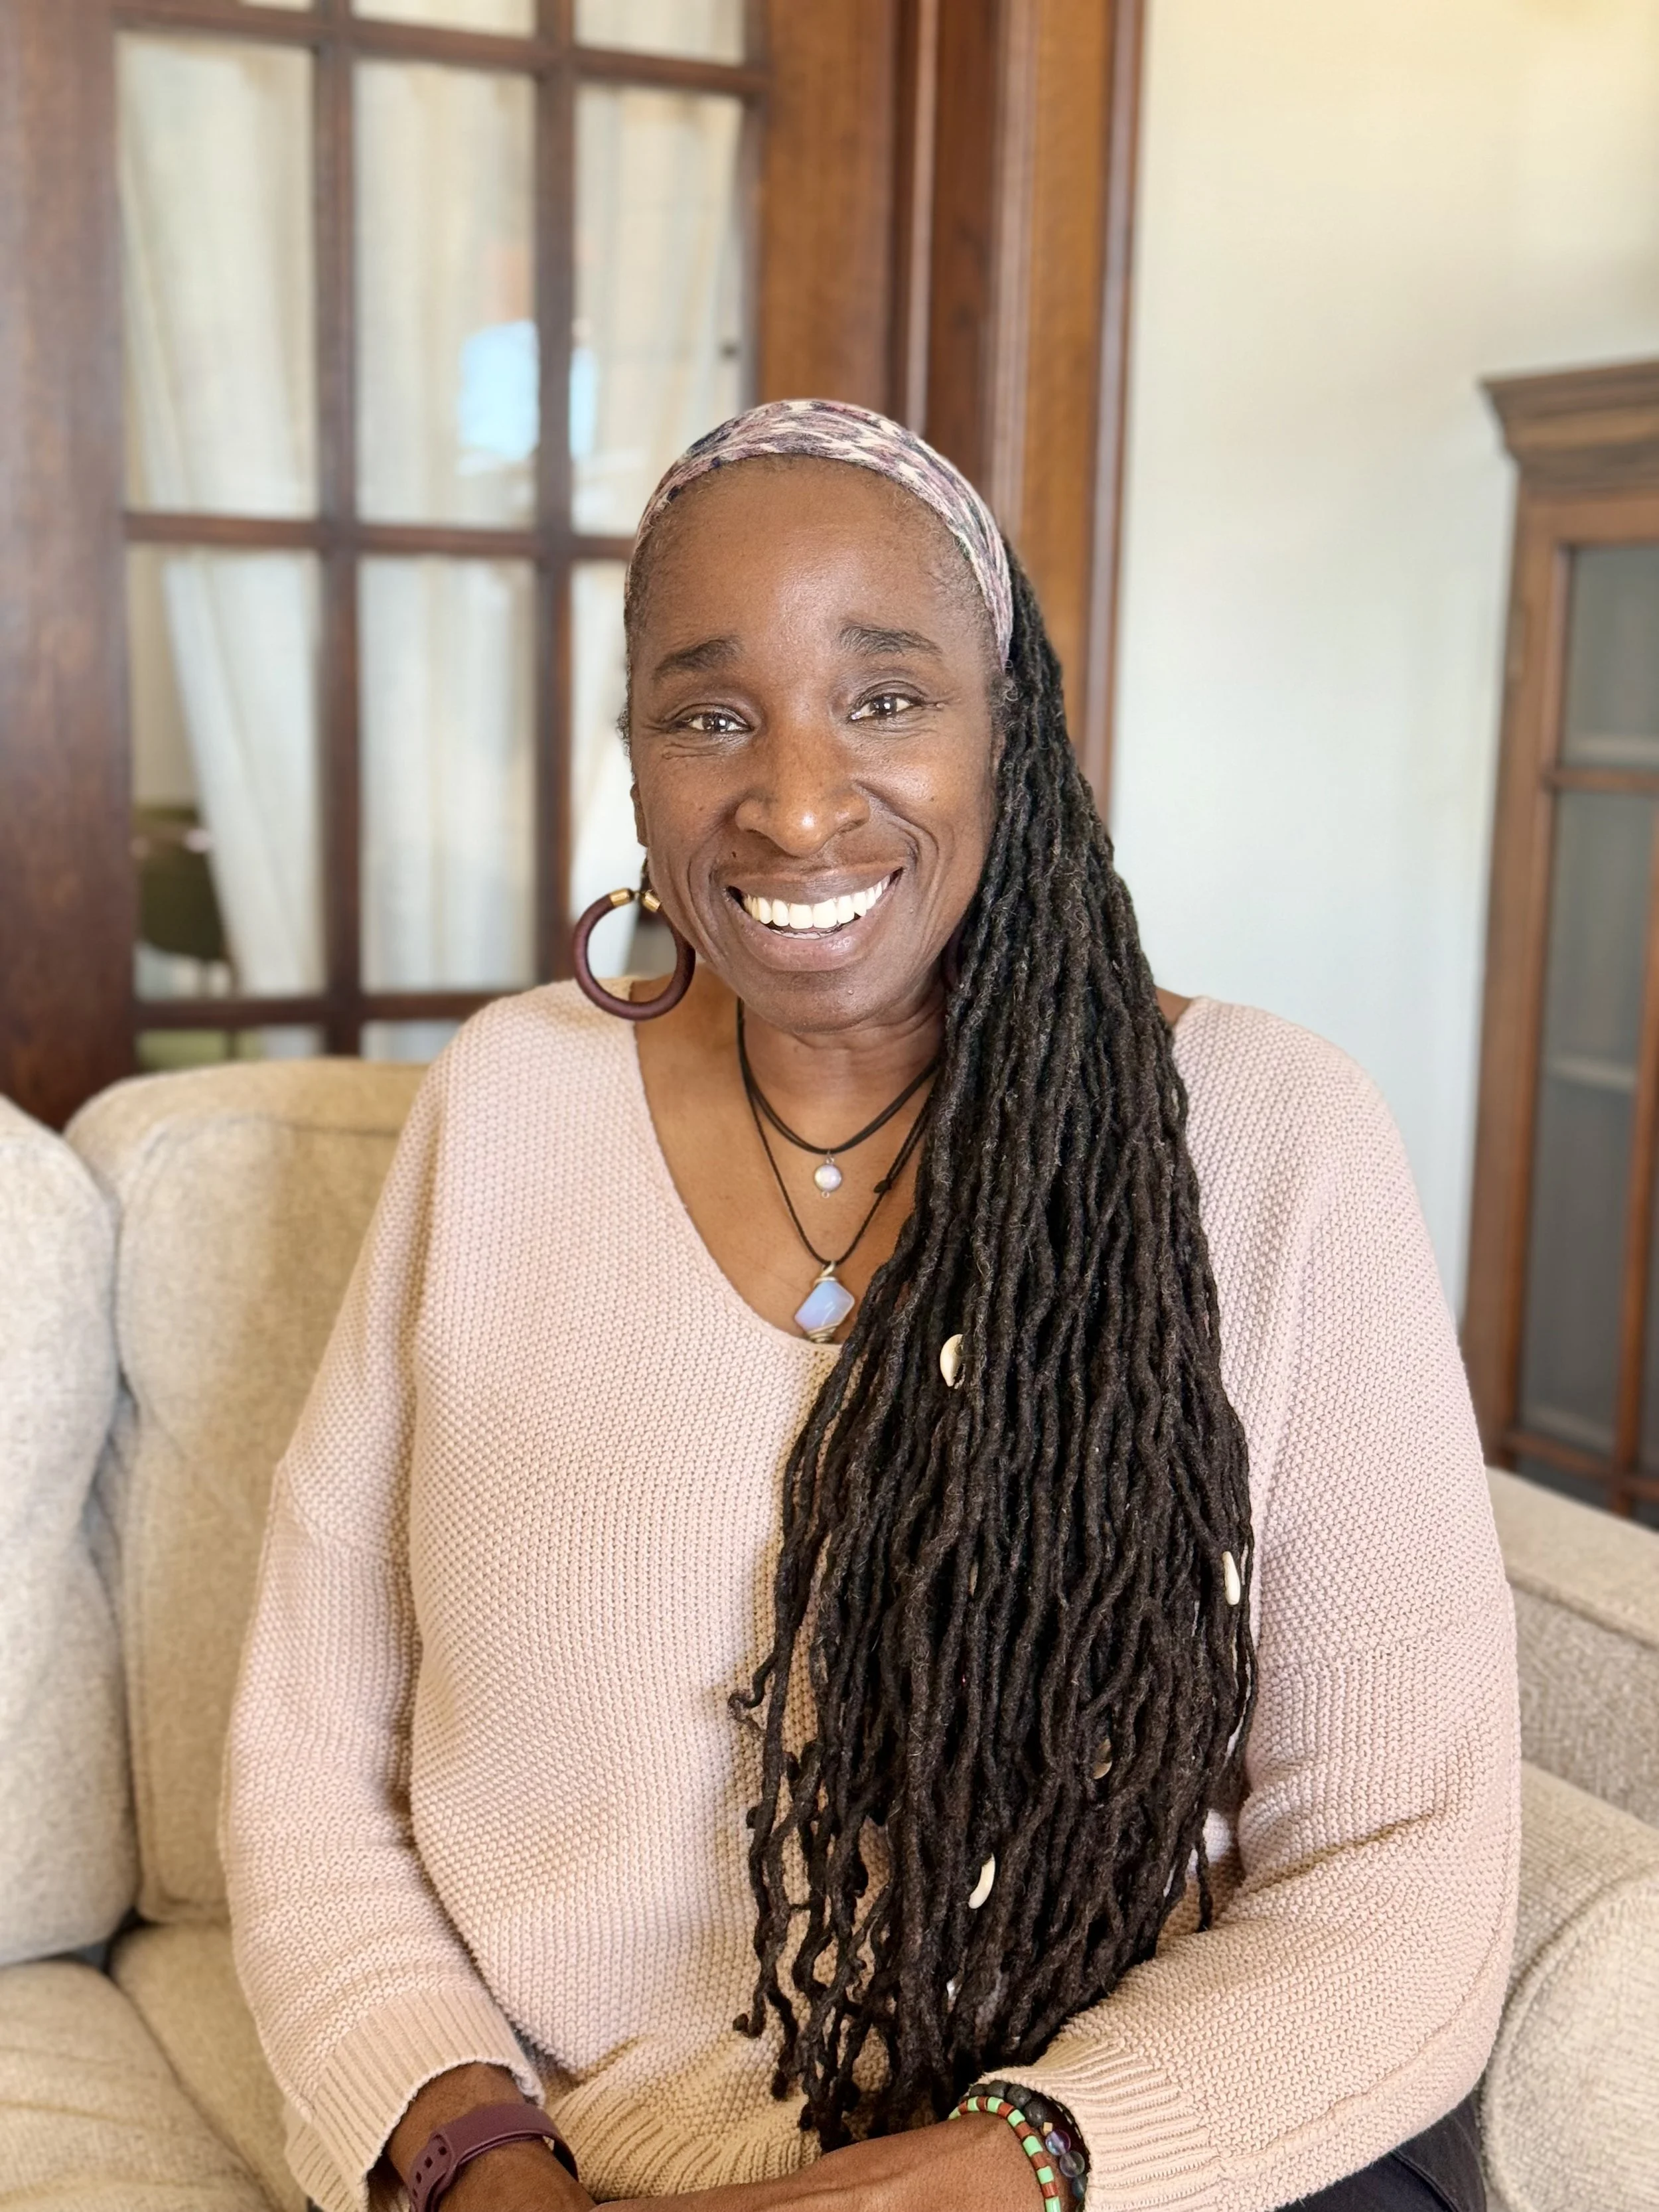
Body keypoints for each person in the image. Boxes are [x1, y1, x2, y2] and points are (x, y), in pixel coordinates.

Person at [222, 401, 1517, 2212]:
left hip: (1112, 2168)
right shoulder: (505, 1108)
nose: (798, 799)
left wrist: (991, 2173)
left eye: (886, 696)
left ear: (1012, 729)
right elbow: (306, 1756)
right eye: (709, 712)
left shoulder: (1274, 1137)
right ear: (635, 758)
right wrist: (469, 2151)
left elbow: (1404, 1859)